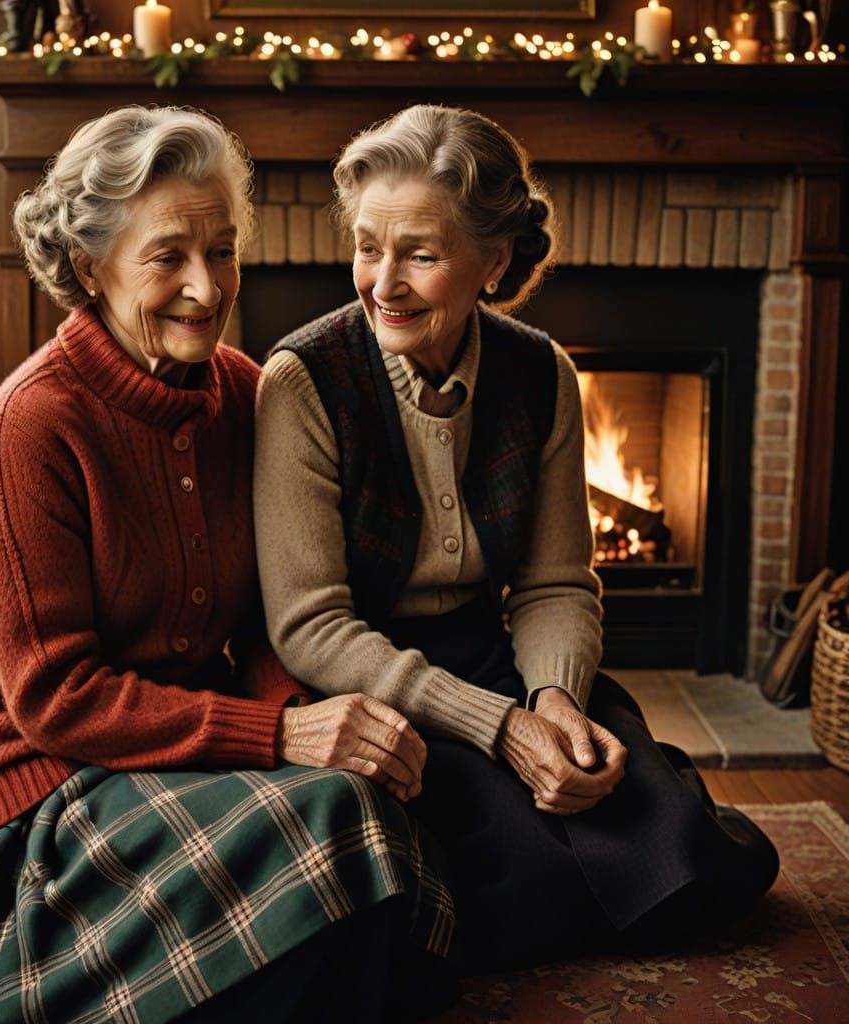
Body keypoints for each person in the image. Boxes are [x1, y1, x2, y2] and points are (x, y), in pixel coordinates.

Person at [0, 105, 457, 1024]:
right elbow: (57, 698)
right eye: (168, 257)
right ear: (90, 269)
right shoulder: (30, 425)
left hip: (187, 762)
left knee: (363, 809)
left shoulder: (246, 393)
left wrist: (300, 724)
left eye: (225, 251)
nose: (208, 288)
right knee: (329, 831)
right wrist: (279, 741)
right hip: (50, 788)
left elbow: (273, 621)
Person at [254, 104, 779, 971]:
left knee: (679, 856)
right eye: (367, 246)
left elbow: (556, 584)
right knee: (529, 879)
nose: (382, 282)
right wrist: (496, 728)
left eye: (420, 255)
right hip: (374, 682)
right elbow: (310, 627)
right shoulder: (303, 382)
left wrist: (555, 702)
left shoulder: (543, 372)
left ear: (493, 262)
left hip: (499, 658)